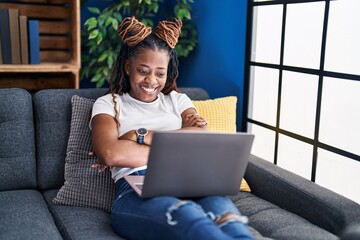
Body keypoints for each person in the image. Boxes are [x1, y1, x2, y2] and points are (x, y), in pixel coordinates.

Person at [90, 16, 253, 240]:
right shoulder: (109, 103)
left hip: (191, 181)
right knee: (189, 218)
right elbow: (110, 153)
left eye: (160, 73)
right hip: (135, 189)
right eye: (143, 71)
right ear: (128, 67)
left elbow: (200, 137)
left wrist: (140, 135)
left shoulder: (178, 100)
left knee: (231, 222)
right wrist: (177, 148)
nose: (151, 81)